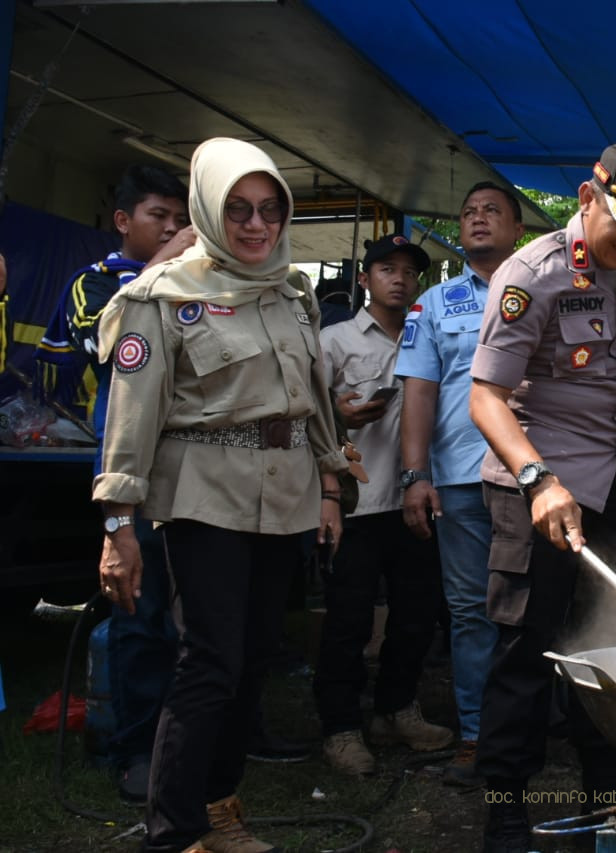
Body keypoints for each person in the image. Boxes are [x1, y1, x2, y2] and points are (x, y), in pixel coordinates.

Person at [93, 137, 348, 853]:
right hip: (203, 495)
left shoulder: (291, 291)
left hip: (288, 494)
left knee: (256, 657)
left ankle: (218, 809)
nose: (255, 225)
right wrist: (117, 525)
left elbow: (314, 403)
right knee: (209, 662)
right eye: (237, 209)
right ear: (207, 209)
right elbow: (130, 421)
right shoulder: (160, 297)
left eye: (269, 209)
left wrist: (329, 485)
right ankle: (172, 832)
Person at [468, 137, 616, 853]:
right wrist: (539, 480)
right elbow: (486, 396)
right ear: (588, 197)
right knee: (526, 653)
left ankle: (605, 799)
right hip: (539, 485)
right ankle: (504, 811)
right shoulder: (532, 275)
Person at [37, 166, 193, 804]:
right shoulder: (96, 284)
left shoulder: (199, 281)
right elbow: (86, 352)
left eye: (181, 217)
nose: (174, 228)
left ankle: (211, 737)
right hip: (133, 475)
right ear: (124, 221)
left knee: (206, 613)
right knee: (139, 612)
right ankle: (134, 748)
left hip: (201, 469)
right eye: (159, 215)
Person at [398, 181, 523, 787]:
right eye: (469, 212)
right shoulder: (434, 304)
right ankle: (477, 737)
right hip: (461, 484)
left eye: (491, 211)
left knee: (534, 610)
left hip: (532, 481)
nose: (477, 219)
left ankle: (527, 732)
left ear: (517, 229)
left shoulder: (548, 289)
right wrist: (415, 476)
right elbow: (418, 394)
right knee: (472, 614)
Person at [313, 234, 452, 776]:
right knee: (348, 621)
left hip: (415, 499)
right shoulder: (335, 342)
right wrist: (338, 420)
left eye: (410, 272)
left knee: (417, 615)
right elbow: (309, 420)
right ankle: (340, 728)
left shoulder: (430, 338)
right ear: (365, 279)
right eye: (387, 269)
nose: (399, 279)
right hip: (355, 502)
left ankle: (396, 710)